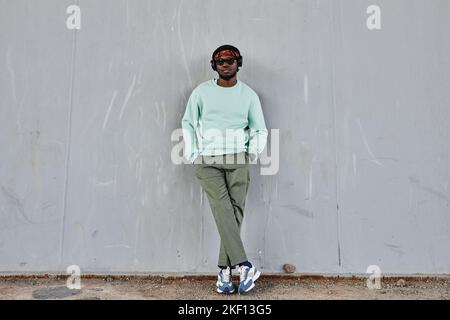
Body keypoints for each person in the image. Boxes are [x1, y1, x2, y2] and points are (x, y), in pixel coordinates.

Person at [181, 45, 268, 294]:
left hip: (237, 159)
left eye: (230, 60)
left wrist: (251, 153)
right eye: (220, 61)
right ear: (214, 65)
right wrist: (192, 153)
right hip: (208, 161)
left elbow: (260, 128)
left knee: (233, 213)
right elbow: (188, 122)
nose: (225, 64)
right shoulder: (202, 92)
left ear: (238, 63)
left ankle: (224, 272)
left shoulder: (248, 95)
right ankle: (244, 264)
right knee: (223, 209)